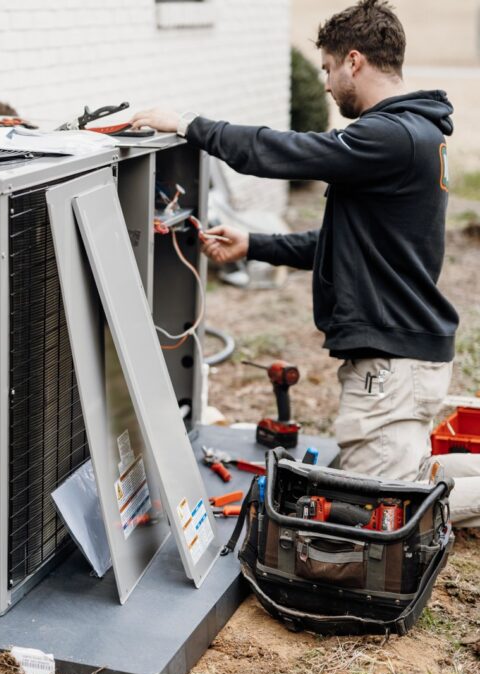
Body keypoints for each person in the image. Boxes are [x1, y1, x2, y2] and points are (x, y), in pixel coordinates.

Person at [128, 0, 458, 482]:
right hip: (399, 359)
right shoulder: (413, 132)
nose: (324, 84)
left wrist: (187, 124)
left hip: (392, 365)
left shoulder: (393, 136)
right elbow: (343, 243)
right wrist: (254, 244)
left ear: (354, 60)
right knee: (394, 483)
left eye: (327, 68)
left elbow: (282, 150)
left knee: (382, 508)